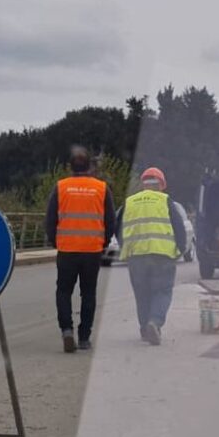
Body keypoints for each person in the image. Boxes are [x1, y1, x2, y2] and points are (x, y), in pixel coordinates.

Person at [45, 145, 115, 353]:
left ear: (69, 167)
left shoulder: (61, 187)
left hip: (67, 250)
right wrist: (103, 242)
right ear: (90, 166)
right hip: (92, 251)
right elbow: (110, 221)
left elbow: (50, 219)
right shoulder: (102, 189)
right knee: (89, 293)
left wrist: (55, 240)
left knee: (64, 291)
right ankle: (84, 337)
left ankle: (67, 330)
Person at [117, 167, 186, 346]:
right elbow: (179, 226)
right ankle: (154, 322)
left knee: (142, 294)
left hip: (136, 257)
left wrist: (126, 248)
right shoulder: (165, 200)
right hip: (162, 255)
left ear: (142, 185)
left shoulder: (129, 202)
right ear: (161, 185)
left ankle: (144, 330)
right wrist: (181, 249)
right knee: (162, 291)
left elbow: (118, 228)